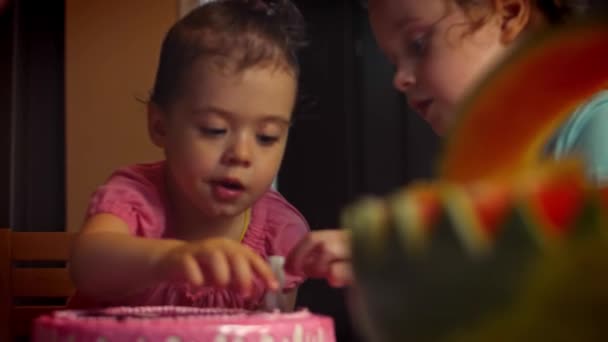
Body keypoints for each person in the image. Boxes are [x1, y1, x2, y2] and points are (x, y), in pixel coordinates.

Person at [285, 0, 608, 287]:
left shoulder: (597, 123)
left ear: (508, 15)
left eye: (419, 44)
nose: (400, 78)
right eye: (394, 62)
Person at [69, 0, 309, 311]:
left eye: (267, 137)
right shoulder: (135, 199)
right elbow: (87, 266)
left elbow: (278, 329)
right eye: (214, 129)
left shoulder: (280, 233)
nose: (241, 154)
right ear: (160, 126)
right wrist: (168, 259)